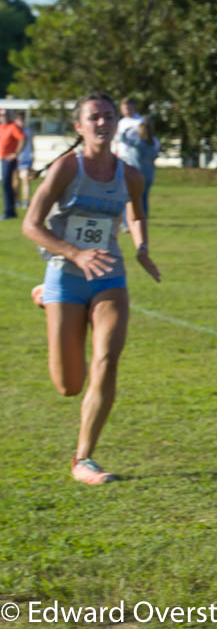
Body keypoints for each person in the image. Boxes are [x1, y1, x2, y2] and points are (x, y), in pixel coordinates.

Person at [21, 92, 161, 484]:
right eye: (94, 117)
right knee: (68, 385)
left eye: (108, 116)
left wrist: (142, 247)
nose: (102, 123)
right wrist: (75, 253)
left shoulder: (129, 173)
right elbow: (30, 225)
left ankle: (84, 459)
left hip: (108, 276)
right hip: (65, 274)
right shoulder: (67, 167)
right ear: (79, 126)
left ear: (117, 123)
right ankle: (46, 299)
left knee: (106, 360)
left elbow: (136, 209)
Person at [0, 106, 25, 219]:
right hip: (3, 159)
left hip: (9, 160)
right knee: (5, 185)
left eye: (4, 114)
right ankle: (10, 211)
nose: (3, 117)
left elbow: (23, 138)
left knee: (6, 184)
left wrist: (16, 153)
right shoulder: (2, 127)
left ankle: (9, 211)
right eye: (1, 115)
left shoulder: (13, 127)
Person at [16, 110, 34, 209]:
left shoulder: (28, 130)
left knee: (25, 180)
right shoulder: (14, 130)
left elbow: (32, 143)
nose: (21, 121)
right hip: (16, 159)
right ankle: (17, 201)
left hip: (26, 159)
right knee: (15, 182)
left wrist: (33, 155)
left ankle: (26, 201)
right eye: (19, 119)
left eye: (23, 119)